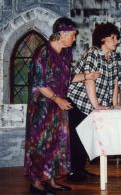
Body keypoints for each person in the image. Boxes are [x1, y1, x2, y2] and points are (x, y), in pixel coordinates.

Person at [24, 17, 99, 194]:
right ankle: (36, 184)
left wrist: (88, 76)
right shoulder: (43, 53)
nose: (75, 38)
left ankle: (50, 181)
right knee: (41, 144)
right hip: (42, 107)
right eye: (73, 35)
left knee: (55, 144)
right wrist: (58, 99)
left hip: (58, 106)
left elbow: (68, 78)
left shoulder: (65, 53)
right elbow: (39, 83)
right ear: (63, 34)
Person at [67, 22, 121, 183]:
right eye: (112, 38)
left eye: (116, 38)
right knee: (77, 138)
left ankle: (80, 170)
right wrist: (96, 106)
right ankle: (74, 173)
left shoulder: (112, 56)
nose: (116, 41)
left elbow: (114, 82)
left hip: (92, 103)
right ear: (102, 39)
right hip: (78, 101)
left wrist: (114, 104)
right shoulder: (93, 53)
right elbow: (89, 80)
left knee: (86, 136)